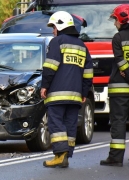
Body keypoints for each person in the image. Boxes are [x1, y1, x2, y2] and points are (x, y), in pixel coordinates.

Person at [40, 11, 93, 168]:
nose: (52, 31)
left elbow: (50, 66)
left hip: (57, 94)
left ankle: (59, 155)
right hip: (76, 95)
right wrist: (84, 92)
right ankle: (66, 156)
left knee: (56, 123)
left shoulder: (57, 42)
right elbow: (88, 72)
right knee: (70, 124)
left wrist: (44, 86)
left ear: (60, 26)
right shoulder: (82, 46)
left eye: (54, 27)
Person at [100, 4, 129, 167]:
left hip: (120, 87)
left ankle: (116, 157)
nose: (114, 23)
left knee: (118, 121)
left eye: (115, 20)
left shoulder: (118, 38)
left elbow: (121, 62)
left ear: (122, 18)